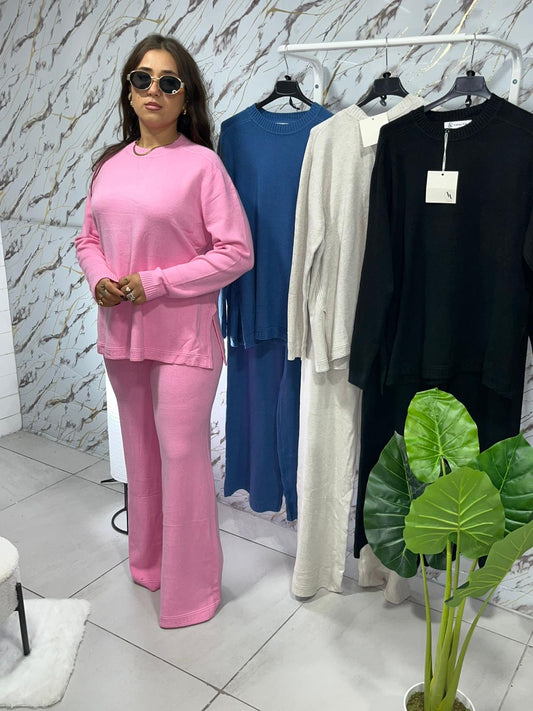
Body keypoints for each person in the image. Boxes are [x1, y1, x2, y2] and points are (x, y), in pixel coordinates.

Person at [75, 34, 253, 628]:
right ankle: (148, 564)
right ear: (128, 91)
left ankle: (191, 592)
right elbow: (88, 238)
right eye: (142, 79)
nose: (154, 90)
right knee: (140, 451)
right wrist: (100, 278)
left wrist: (153, 283)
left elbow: (236, 252)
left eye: (168, 81)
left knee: (181, 456)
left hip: (184, 339)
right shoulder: (108, 165)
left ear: (185, 96)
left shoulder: (202, 165)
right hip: (120, 335)